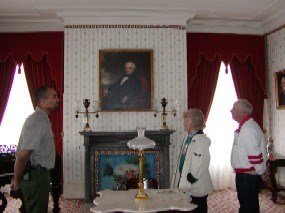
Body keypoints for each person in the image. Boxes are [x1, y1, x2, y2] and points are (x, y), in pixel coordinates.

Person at [11, 85, 60, 213]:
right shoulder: (37, 121)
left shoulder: (43, 120)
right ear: (42, 101)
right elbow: (23, 155)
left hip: (39, 175)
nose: (58, 99)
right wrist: (16, 178)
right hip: (36, 176)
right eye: (54, 96)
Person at [172, 108, 213, 212]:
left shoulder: (200, 140)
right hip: (189, 184)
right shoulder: (189, 137)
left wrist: (191, 179)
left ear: (195, 121)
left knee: (198, 207)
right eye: (184, 120)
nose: (184, 122)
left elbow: (201, 163)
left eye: (187, 120)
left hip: (196, 184)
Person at [230, 99, 267, 213]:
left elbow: (254, 155)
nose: (231, 111)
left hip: (247, 176)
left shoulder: (247, 129)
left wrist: (261, 172)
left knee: (247, 206)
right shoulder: (247, 126)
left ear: (241, 111)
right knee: (250, 204)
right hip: (247, 175)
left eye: (234, 108)